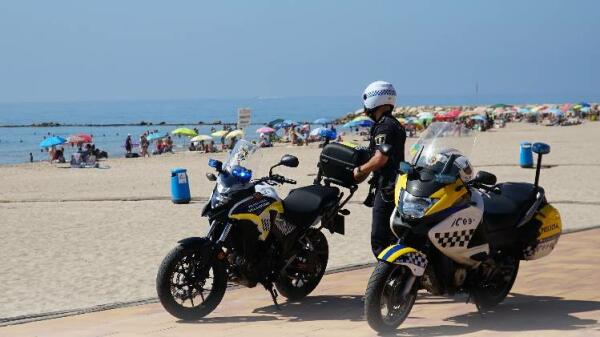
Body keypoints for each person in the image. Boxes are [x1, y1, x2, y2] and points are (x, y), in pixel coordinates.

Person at [353, 81, 406, 257]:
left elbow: (380, 159)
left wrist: (360, 170)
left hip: (387, 187)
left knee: (380, 241)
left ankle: (386, 280)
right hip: (396, 184)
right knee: (392, 236)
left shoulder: (384, 126)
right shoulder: (394, 123)